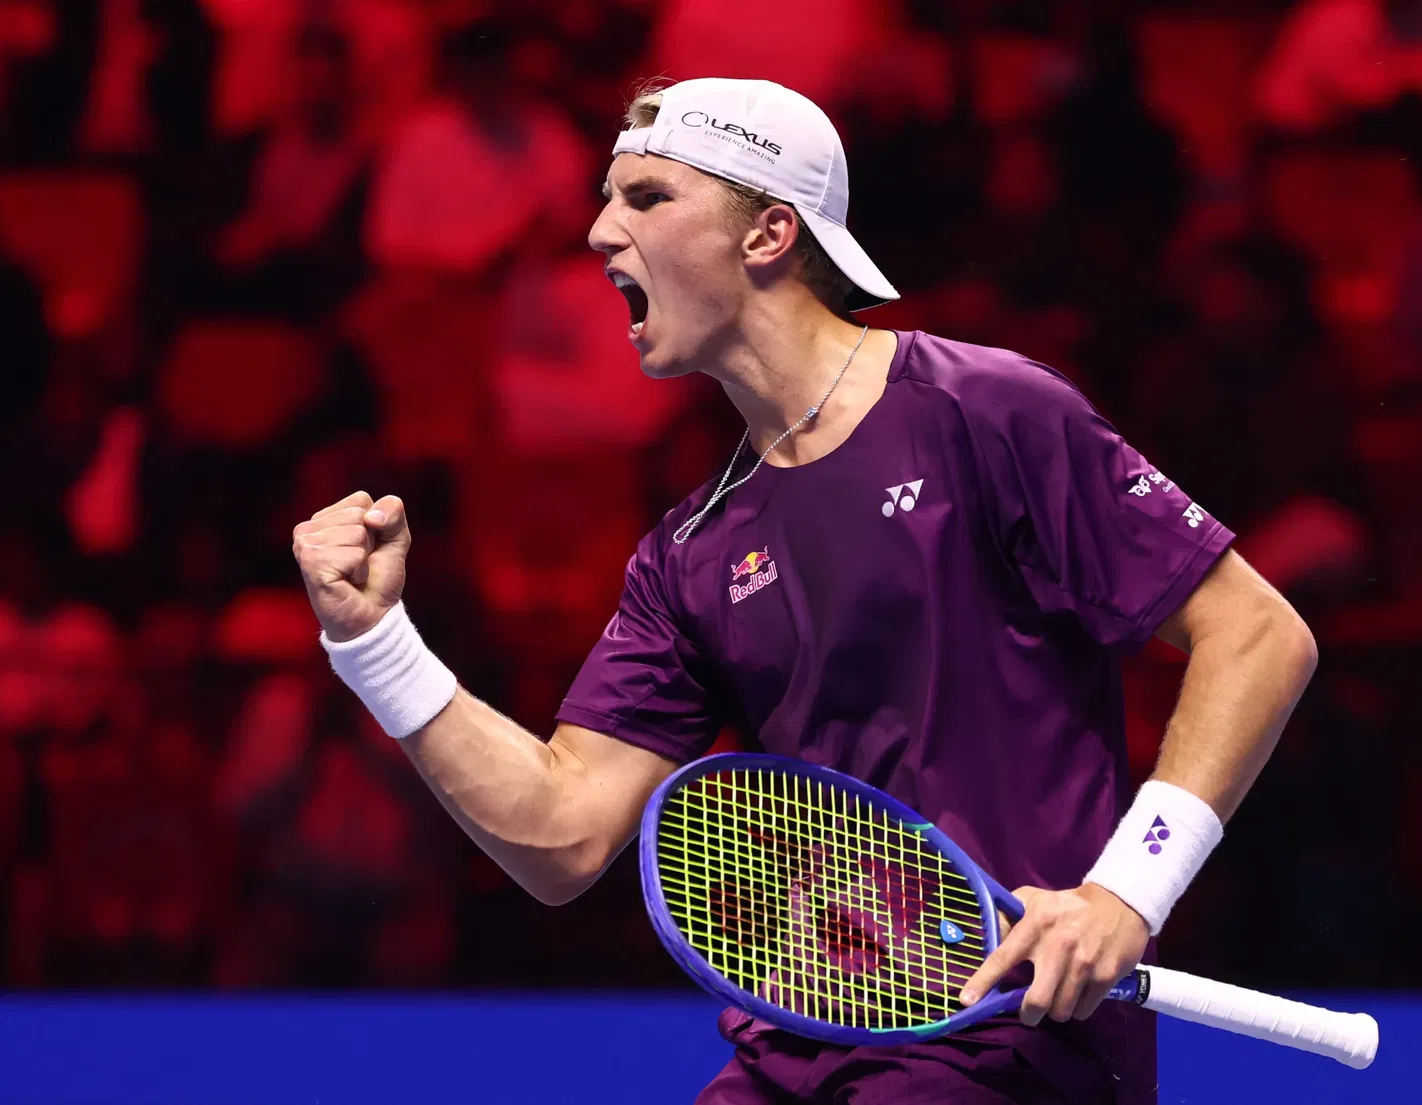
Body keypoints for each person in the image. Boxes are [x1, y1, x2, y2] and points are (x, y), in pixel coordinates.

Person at [291, 78, 1319, 1104]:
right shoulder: (690, 549)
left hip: (1005, 1042)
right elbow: (563, 831)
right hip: (805, 1042)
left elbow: (1257, 634)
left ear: (769, 232)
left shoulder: (983, 412)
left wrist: (1125, 894)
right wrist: (377, 644)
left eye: (647, 198)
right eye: (607, 199)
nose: (601, 232)